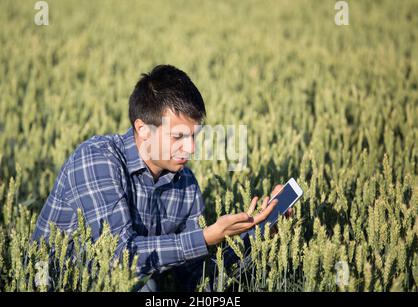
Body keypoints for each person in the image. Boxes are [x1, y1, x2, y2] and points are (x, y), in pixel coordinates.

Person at [32, 64, 289, 291]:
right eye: (178, 137)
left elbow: (199, 282)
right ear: (143, 130)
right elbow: (118, 258)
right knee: (142, 283)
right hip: (54, 282)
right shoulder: (97, 159)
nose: (191, 149)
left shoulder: (186, 185)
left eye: (194, 136)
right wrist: (207, 236)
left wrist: (260, 234)